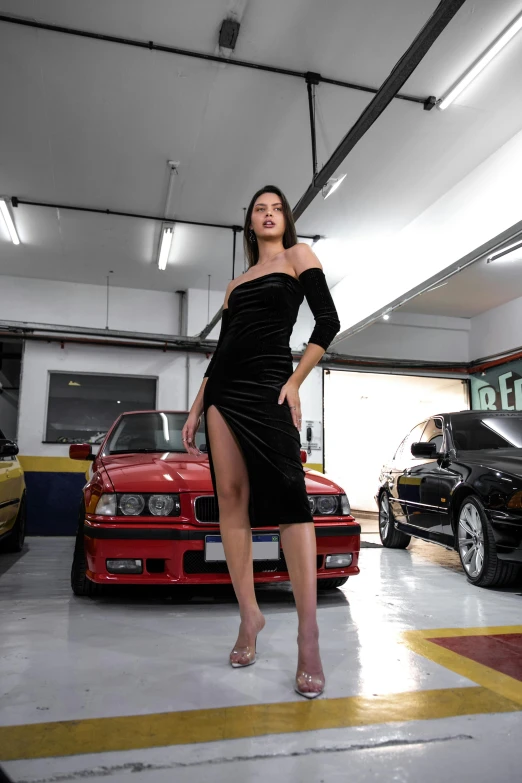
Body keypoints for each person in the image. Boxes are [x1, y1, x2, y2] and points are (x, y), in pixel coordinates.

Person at [182, 185, 340, 698]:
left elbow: (327, 321)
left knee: (292, 502)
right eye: (259, 209)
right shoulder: (235, 284)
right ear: (249, 223)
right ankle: (250, 617)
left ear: (285, 220)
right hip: (223, 392)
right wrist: (197, 404)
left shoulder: (300, 257)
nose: (268, 215)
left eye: (276, 209)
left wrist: (295, 381)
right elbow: (222, 350)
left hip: (271, 385)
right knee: (231, 498)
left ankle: (308, 634)